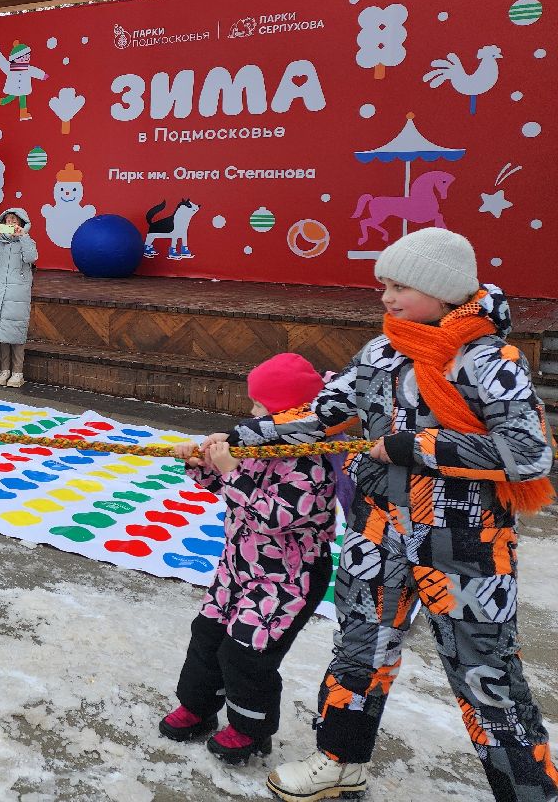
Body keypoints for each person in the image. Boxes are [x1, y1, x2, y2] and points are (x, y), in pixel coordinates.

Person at [235, 229, 558, 802]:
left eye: (401, 284)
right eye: (384, 283)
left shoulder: (490, 360)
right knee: (360, 647)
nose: (385, 296)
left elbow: (529, 454)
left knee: (485, 669)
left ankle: (529, 790)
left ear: (444, 291)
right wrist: (240, 439)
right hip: (375, 529)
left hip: (464, 541)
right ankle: (340, 759)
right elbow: (322, 415)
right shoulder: (382, 352)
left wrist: (416, 446)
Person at [159, 353, 336, 765]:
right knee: (207, 633)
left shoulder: (313, 465)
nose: (252, 415)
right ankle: (198, 707)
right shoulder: (259, 445)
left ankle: (250, 730)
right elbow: (226, 489)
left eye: (260, 408)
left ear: (289, 415)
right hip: (238, 565)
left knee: (247, 652)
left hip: (287, 580)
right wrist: (199, 464)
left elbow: (272, 515)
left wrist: (232, 471)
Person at [0, 208, 38, 387]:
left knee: (17, 331)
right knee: (1, 330)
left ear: (20, 223)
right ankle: (4, 370)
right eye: (7, 220)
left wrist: (23, 237)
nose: (11, 222)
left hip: (18, 291)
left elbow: (32, 257)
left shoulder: (26, 240)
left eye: (14, 220)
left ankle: (18, 373)